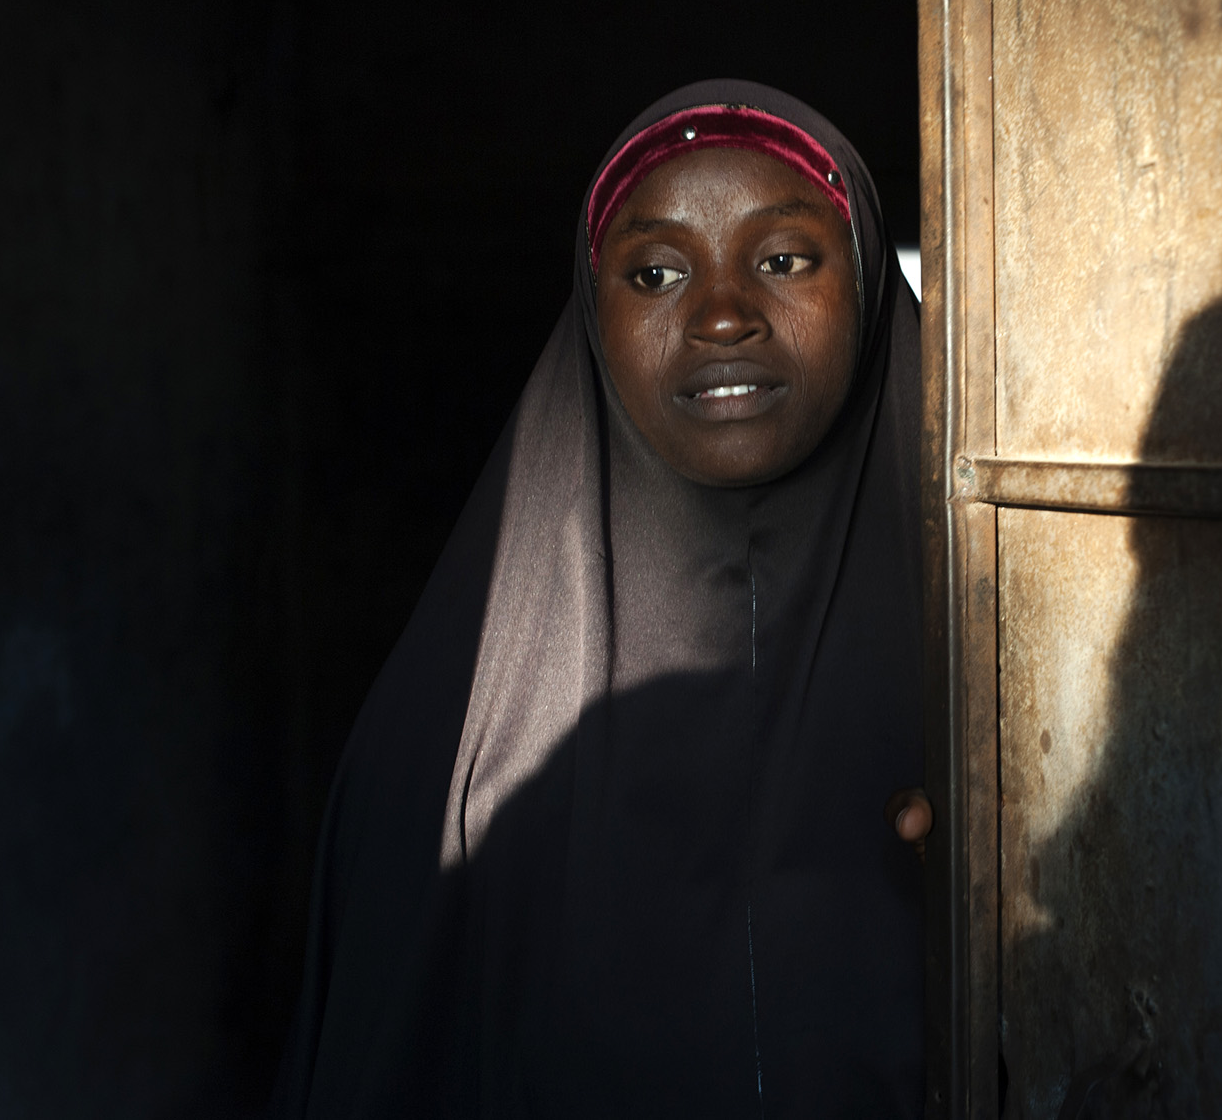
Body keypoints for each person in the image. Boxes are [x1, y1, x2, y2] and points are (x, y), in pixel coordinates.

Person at [272, 81, 931, 1117]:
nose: (721, 312)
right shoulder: (443, 761)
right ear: (593, 311)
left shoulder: (1015, 675)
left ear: (866, 281)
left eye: (784, 259)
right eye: (657, 271)